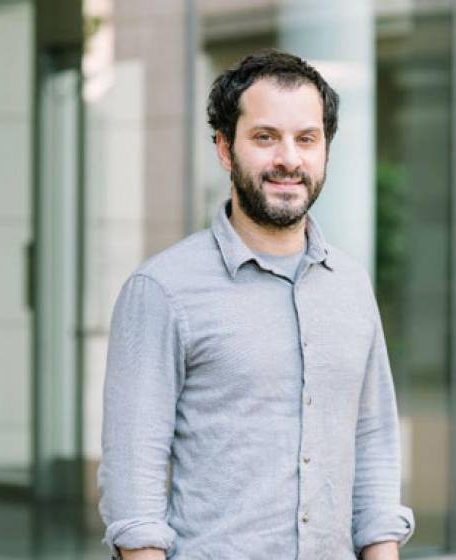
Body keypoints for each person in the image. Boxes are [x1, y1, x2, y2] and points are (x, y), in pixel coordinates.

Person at [98, 49, 414, 560]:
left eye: (306, 139)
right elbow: (133, 488)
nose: (289, 159)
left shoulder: (351, 285)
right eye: (265, 137)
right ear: (226, 149)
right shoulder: (162, 289)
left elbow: (374, 446)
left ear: (325, 150)